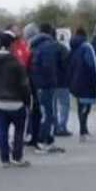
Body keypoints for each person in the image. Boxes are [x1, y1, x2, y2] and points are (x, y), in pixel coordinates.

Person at [0, 31, 31, 167]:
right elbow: (24, 84)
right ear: (11, 44)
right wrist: (27, 101)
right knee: (19, 131)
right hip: (16, 102)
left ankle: (4, 158)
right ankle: (17, 157)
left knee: (2, 131)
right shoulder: (16, 62)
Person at [29, 24, 67, 154]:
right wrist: (52, 80)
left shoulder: (34, 46)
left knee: (45, 112)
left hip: (38, 84)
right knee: (48, 113)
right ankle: (43, 141)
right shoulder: (47, 46)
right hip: (46, 85)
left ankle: (47, 139)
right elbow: (48, 67)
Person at [68, 27, 96, 142]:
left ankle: (84, 130)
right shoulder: (86, 47)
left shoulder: (72, 48)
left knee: (81, 106)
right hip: (86, 81)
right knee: (86, 107)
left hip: (75, 82)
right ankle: (83, 131)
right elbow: (91, 64)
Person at [54, 32, 73, 137]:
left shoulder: (47, 49)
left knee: (53, 105)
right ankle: (62, 126)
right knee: (64, 104)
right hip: (63, 81)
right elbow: (67, 64)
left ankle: (55, 125)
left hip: (51, 81)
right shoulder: (62, 49)